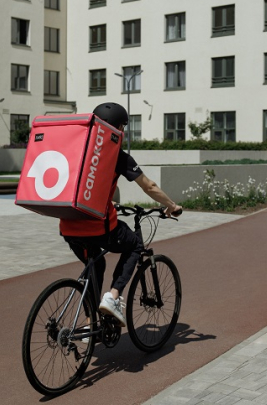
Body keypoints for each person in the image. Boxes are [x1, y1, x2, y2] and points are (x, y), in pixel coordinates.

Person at [60, 102, 183, 327]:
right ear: (118, 129)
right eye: (123, 127)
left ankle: (89, 323)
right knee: (135, 245)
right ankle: (113, 297)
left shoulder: (77, 150)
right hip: (98, 227)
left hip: (68, 226)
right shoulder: (117, 156)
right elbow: (149, 186)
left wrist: (110, 201)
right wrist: (171, 205)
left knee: (95, 266)